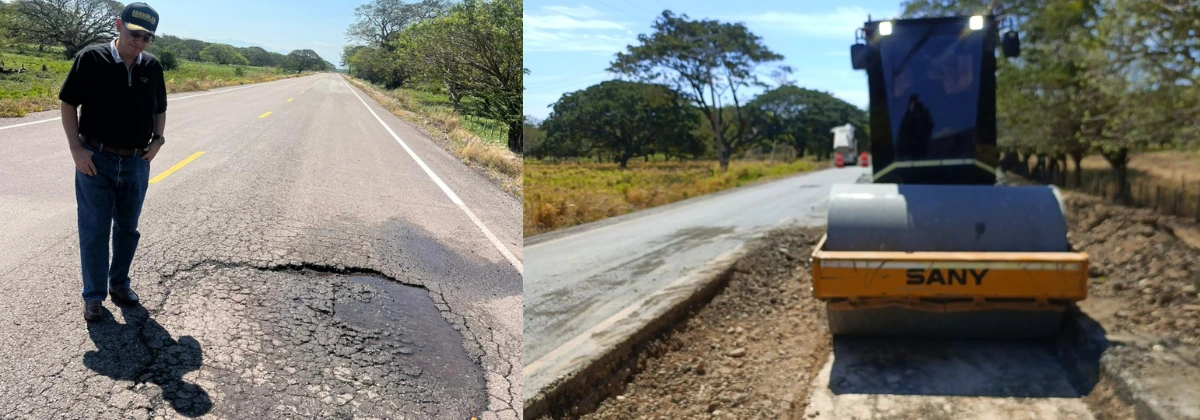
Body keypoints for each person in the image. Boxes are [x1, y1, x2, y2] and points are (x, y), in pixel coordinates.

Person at [59, 2, 167, 321]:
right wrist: (76, 149)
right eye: (135, 33)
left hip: (136, 162)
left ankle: (119, 284)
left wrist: (158, 140)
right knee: (94, 231)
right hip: (96, 159)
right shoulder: (91, 58)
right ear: (119, 25)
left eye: (147, 37)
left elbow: (160, 108)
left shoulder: (152, 67)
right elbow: (67, 103)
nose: (139, 42)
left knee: (127, 230)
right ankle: (93, 296)